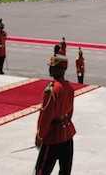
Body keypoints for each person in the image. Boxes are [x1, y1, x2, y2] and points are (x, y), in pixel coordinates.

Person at [35, 44, 75, 175]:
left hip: (53, 138)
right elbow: (70, 112)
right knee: (65, 171)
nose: (50, 69)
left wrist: (40, 136)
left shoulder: (51, 90)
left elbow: (46, 116)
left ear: (58, 70)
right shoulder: (69, 87)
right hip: (67, 135)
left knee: (41, 171)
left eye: (52, 67)